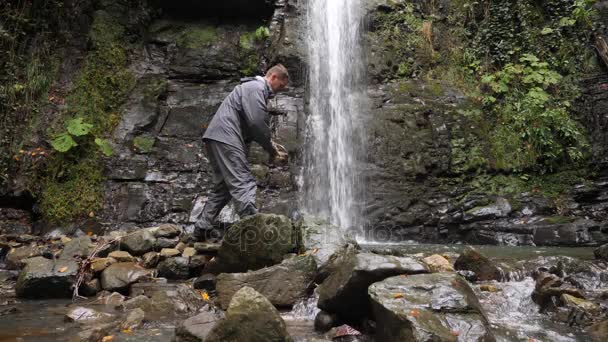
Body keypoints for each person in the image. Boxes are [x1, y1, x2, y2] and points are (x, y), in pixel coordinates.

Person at [192, 64, 290, 240]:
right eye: (280, 86)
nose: (279, 92)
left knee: (223, 187)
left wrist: (270, 144)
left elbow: (252, 124)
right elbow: (256, 123)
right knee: (242, 180)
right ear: (273, 77)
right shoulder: (255, 87)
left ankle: (202, 227)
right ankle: (253, 226)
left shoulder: (251, 88)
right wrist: (271, 149)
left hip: (217, 136)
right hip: (226, 137)